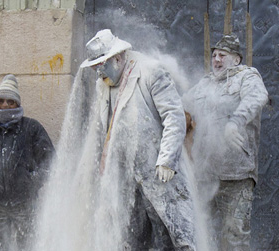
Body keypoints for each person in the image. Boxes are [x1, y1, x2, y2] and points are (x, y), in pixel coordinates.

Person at [79, 29, 195, 250]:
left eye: (101, 65)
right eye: (94, 67)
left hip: (158, 172)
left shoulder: (150, 71)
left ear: (117, 57)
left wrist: (167, 160)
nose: (98, 72)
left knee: (171, 235)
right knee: (130, 236)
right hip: (124, 175)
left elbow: (174, 116)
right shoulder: (102, 84)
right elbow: (102, 129)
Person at [182, 34, 268, 250]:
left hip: (236, 175)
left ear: (236, 59)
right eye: (214, 56)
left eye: (222, 55)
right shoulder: (205, 84)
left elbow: (257, 98)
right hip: (204, 175)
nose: (216, 59)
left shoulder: (247, 77)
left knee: (234, 237)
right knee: (200, 233)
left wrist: (235, 123)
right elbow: (182, 107)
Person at [0, 74, 55, 251]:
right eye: (0, 101)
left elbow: (50, 162)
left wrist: (31, 181)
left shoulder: (32, 128)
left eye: (10, 101)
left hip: (25, 204)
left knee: (28, 245)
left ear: (18, 104)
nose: (4, 105)